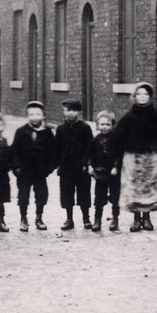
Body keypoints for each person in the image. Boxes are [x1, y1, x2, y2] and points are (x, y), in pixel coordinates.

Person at [112, 83, 157, 231]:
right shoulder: (129, 117)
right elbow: (118, 137)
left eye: (145, 94)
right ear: (134, 96)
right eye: (139, 94)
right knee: (135, 186)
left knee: (148, 185)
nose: (142, 97)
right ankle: (136, 218)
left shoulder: (156, 115)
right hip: (133, 157)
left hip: (150, 156)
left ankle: (147, 217)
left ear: (150, 97)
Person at [11, 100, 57, 232]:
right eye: (31, 114)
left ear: (43, 116)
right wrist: (17, 167)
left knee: (41, 194)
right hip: (24, 171)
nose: (34, 117)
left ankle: (39, 217)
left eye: (38, 114)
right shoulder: (21, 132)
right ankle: (23, 218)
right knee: (23, 195)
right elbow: (14, 151)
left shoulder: (47, 132)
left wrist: (49, 168)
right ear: (27, 116)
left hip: (40, 171)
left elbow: (53, 151)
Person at [55, 98, 94, 231]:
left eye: (73, 110)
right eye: (67, 110)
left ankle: (86, 218)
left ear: (78, 112)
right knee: (67, 193)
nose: (70, 113)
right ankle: (69, 218)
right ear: (64, 112)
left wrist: (86, 162)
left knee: (84, 192)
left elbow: (90, 147)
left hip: (81, 167)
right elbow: (57, 148)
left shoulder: (85, 128)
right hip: (66, 167)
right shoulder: (60, 129)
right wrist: (58, 164)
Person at [86, 110, 121, 233]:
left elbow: (119, 155)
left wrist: (116, 166)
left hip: (113, 173)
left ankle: (115, 219)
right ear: (97, 125)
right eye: (102, 124)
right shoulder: (95, 140)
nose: (104, 127)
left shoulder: (116, 139)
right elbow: (90, 155)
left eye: (107, 124)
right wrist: (90, 166)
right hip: (100, 172)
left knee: (115, 197)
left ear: (112, 125)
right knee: (99, 197)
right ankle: (97, 220)